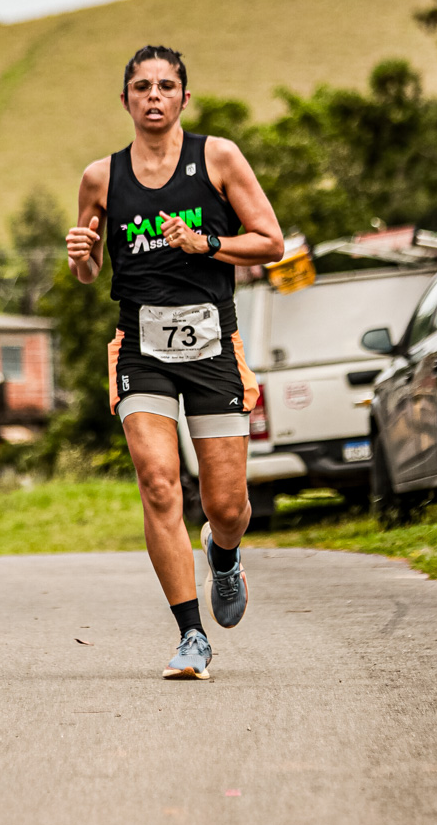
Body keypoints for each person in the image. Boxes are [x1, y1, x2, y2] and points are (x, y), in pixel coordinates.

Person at [66, 45, 283, 678]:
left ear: (184, 97)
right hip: (141, 348)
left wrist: (206, 243)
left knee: (227, 506)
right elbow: (89, 270)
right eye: (142, 87)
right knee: (158, 481)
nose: (154, 96)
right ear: (126, 100)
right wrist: (82, 255)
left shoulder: (218, 158)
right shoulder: (101, 178)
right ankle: (191, 635)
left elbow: (270, 241)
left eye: (166, 86)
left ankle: (225, 554)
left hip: (213, 346)